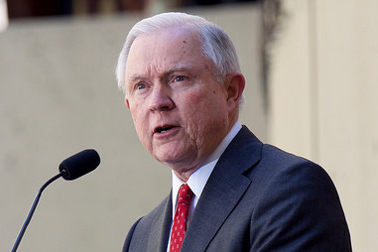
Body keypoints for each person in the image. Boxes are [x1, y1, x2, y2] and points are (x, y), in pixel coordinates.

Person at [117, 12, 352, 251]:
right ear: (129, 106)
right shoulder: (141, 236)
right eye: (141, 86)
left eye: (178, 78)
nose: (157, 102)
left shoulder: (290, 191)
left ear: (231, 91)